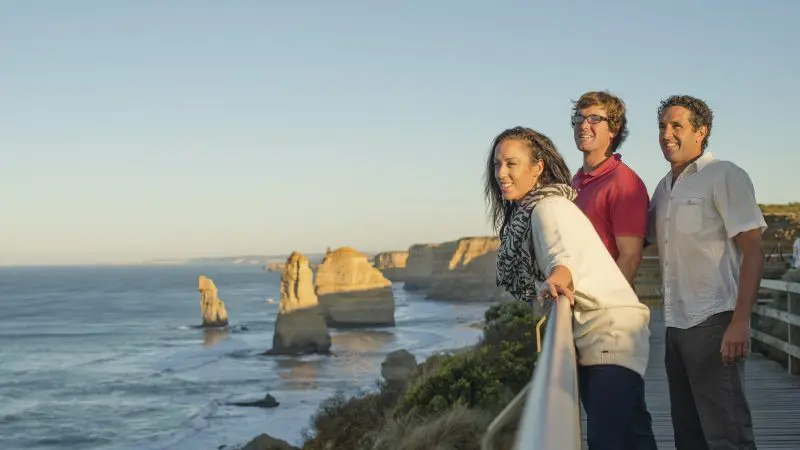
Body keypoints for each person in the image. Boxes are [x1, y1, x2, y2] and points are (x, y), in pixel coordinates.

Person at [487, 126, 657, 450]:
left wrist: (558, 278)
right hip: (610, 331)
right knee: (634, 438)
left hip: (608, 335)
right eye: (497, 164)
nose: (501, 173)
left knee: (609, 442)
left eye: (511, 163)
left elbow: (560, 253)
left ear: (537, 167)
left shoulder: (547, 208)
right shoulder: (540, 208)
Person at [647, 95, 766, 449]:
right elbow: (634, 240)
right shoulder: (663, 188)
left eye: (676, 126)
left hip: (714, 322)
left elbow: (754, 252)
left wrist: (740, 321)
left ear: (702, 132)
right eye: (662, 126)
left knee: (727, 434)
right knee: (689, 436)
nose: (666, 134)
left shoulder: (724, 175)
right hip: (674, 328)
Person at [570, 91, 650, 285]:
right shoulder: (577, 179)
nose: (584, 125)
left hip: (604, 307)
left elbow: (630, 258)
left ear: (613, 129)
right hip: (577, 303)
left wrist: (603, 305)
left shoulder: (624, 183)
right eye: (579, 117)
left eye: (594, 118)